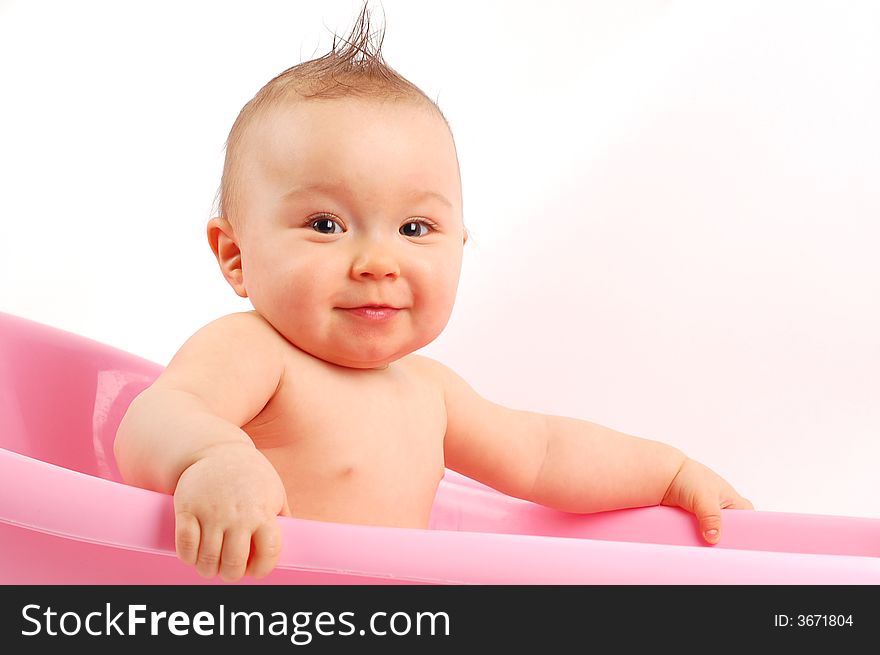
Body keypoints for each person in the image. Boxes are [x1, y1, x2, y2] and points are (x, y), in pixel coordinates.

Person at [114, 4, 753, 582]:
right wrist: (214, 459)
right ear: (235, 254)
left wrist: (667, 473)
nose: (376, 262)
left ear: (461, 244)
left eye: (415, 228)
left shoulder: (430, 392)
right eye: (325, 225)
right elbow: (153, 416)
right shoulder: (253, 352)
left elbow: (544, 453)